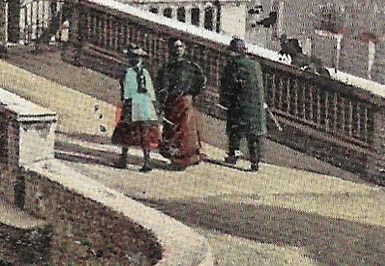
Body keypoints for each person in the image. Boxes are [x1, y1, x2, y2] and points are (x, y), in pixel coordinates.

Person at [156, 38, 207, 170]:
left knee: (187, 130)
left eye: (180, 47)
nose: (178, 49)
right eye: (176, 47)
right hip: (172, 102)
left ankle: (188, 158)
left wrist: (191, 94)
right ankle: (176, 159)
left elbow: (201, 81)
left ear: (184, 49)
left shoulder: (191, 66)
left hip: (185, 101)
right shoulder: (167, 67)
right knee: (174, 130)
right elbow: (161, 85)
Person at [219, 36, 268, 171]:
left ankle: (233, 155)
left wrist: (224, 101)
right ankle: (255, 162)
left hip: (239, 106)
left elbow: (227, 85)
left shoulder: (233, 65)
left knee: (235, 130)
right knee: (253, 136)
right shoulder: (255, 65)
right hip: (256, 106)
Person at [112, 45, 161, 172]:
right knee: (132, 130)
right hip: (141, 102)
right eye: (133, 57)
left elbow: (130, 89)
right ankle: (128, 159)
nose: (135, 59)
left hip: (138, 102)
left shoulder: (135, 73)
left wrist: (127, 100)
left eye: (137, 57)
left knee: (136, 130)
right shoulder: (137, 72)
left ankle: (144, 161)